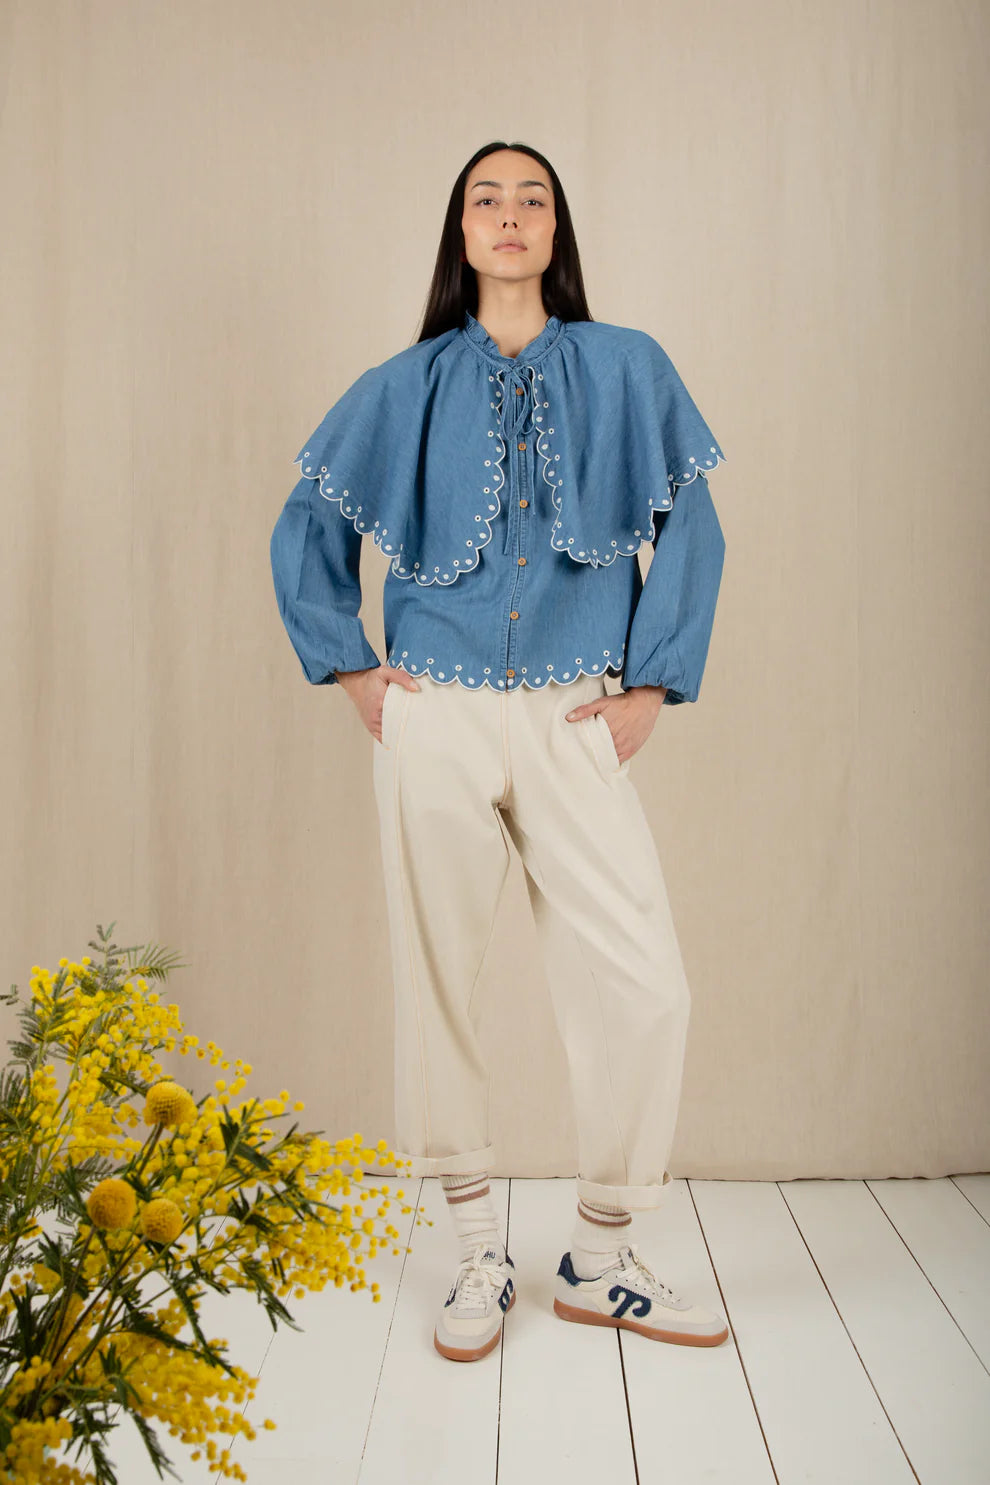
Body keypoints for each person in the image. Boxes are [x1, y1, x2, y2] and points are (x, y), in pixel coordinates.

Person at [270, 140, 730, 1362]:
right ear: (462, 232)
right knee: (437, 979)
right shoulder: (404, 384)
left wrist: (652, 683)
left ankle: (600, 1255)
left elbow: (693, 526)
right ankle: (475, 1249)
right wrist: (355, 669)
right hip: (437, 716)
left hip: (579, 714)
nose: (511, 214)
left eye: (533, 198)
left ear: (556, 229)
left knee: (645, 981)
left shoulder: (629, 368)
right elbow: (307, 522)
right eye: (488, 199)